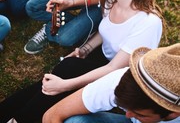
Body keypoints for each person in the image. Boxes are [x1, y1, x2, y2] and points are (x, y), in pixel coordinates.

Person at [0, 0, 163, 123]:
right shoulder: (111, 0)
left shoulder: (148, 23)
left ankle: (20, 119)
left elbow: (114, 69)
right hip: (105, 60)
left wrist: (65, 86)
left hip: (124, 78)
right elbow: (105, 31)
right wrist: (84, 50)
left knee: (66, 74)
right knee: (58, 74)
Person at [42, 43, 180, 123]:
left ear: (174, 113)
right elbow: (52, 116)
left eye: (141, 114)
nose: (127, 114)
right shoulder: (118, 80)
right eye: (126, 108)